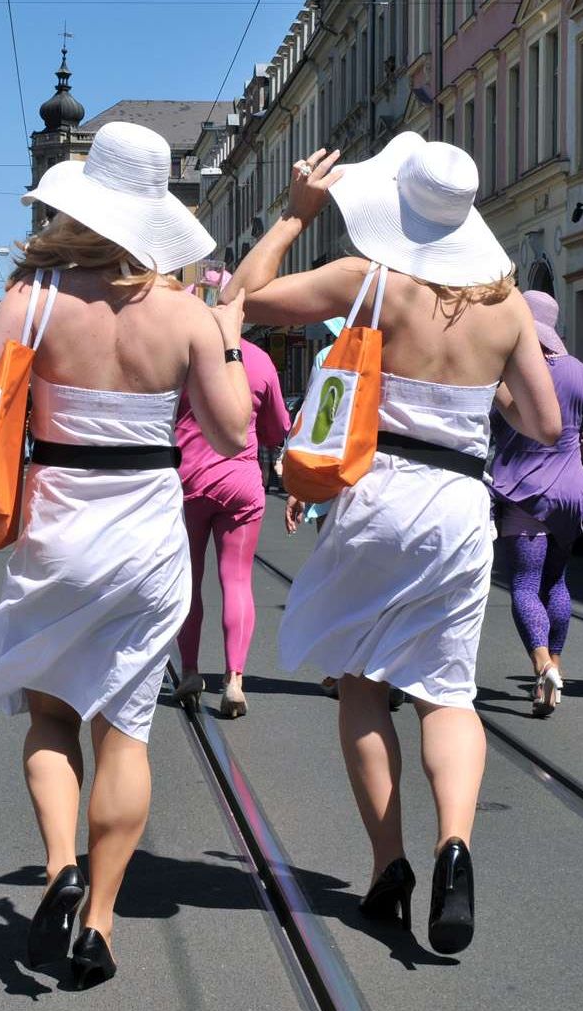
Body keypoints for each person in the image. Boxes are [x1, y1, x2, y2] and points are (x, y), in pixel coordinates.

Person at [0, 121, 251, 989]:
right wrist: (222, 333)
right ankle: (101, 920)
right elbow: (231, 430)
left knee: (50, 717)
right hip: (148, 538)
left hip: (60, 530)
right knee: (128, 733)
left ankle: (60, 865)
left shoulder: (33, 298)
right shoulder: (183, 312)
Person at [230, 133, 560, 956]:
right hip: (458, 501)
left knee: (362, 682)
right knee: (449, 690)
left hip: (378, 494)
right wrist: (485, 408)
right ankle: (456, 846)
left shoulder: (371, 281)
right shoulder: (508, 306)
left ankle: (390, 866)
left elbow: (241, 297)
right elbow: (547, 422)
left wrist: (297, 214)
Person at [489, 291, 583, 718]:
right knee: (557, 582)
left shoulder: (504, 371)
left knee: (526, 584)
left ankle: (542, 665)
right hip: (570, 493)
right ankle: (557, 669)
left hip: (521, 491)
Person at [173, 336, 291, 719]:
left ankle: (189, 671)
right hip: (239, 483)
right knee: (237, 581)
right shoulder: (257, 359)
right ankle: (234, 680)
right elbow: (277, 430)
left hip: (187, 482)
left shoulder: (185, 351)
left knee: (187, 583)